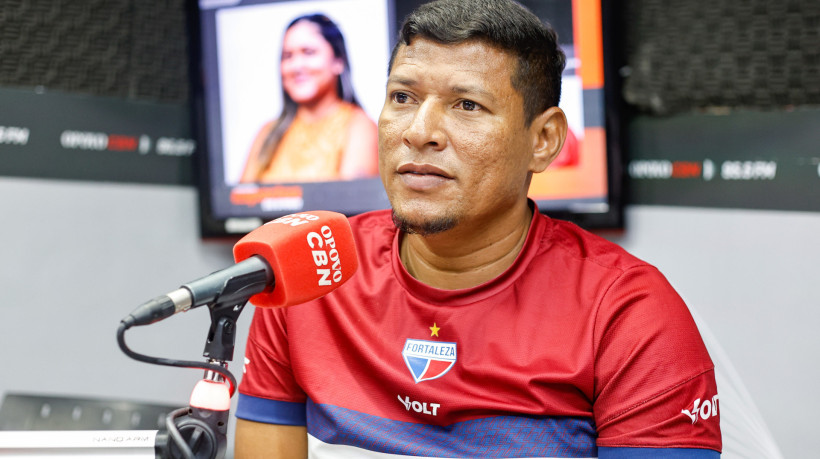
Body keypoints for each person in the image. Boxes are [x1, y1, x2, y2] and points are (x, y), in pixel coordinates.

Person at [235, 0, 722, 457]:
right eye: (402, 97)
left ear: (544, 140)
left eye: (466, 105)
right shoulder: (313, 270)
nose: (419, 132)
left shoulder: (627, 311)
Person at [240, 14, 378, 183]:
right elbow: (241, 197)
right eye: (288, 56)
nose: (296, 66)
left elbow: (351, 197)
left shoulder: (359, 127)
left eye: (309, 52)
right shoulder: (267, 132)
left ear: (338, 61)